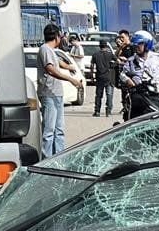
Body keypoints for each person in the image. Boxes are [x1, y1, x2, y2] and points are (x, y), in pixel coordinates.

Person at [36, 22, 82, 157]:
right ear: (57, 37)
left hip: (56, 94)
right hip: (49, 94)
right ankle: (47, 160)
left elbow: (57, 62)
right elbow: (51, 69)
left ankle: (60, 158)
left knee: (59, 130)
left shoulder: (51, 51)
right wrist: (70, 79)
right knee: (49, 131)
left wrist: (70, 67)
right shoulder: (44, 49)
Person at [119, 29, 159, 119]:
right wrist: (128, 80)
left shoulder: (157, 58)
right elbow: (122, 74)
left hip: (155, 95)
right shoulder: (131, 61)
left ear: (147, 44)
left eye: (140, 44)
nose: (137, 47)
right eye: (136, 45)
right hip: (138, 95)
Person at [92, 35, 116, 118]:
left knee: (99, 95)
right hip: (109, 77)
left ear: (99, 46)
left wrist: (92, 76)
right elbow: (117, 62)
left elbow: (92, 66)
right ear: (106, 46)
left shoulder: (95, 55)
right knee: (109, 94)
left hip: (99, 77)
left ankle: (97, 111)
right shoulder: (110, 54)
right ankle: (108, 111)